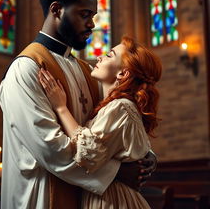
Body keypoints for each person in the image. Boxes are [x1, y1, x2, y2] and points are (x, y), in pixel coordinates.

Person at [0, 0, 157, 209]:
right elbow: (51, 149)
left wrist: (142, 155)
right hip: (39, 194)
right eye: (84, 15)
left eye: (93, 15)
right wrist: (117, 173)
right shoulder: (25, 69)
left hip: (85, 196)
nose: (92, 24)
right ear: (56, 10)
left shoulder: (86, 71)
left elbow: (110, 129)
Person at [38, 35, 162, 208]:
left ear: (123, 73)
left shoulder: (122, 107)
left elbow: (89, 153)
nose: (99, 57)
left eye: (109, 55)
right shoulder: (117, 106)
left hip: (114, 200)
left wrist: (61, 108)